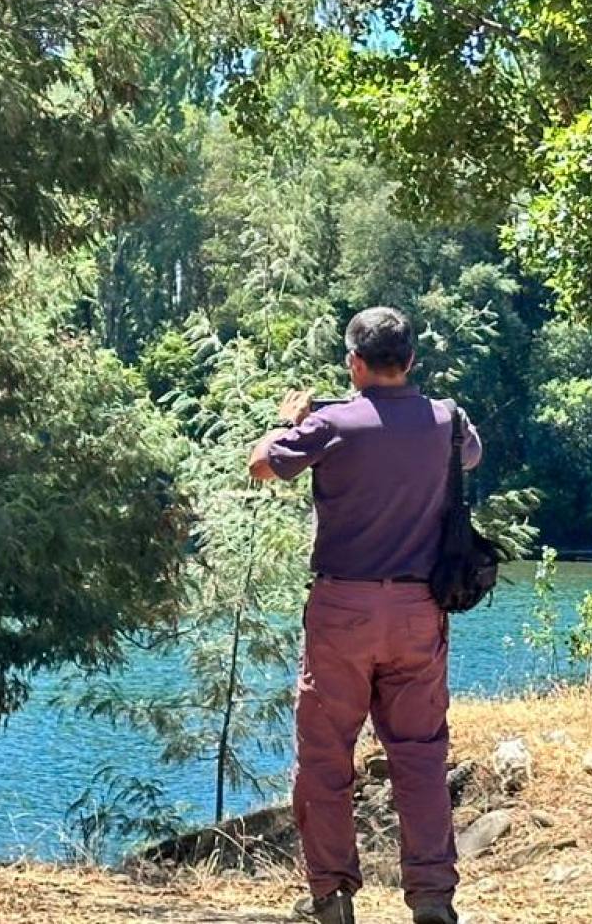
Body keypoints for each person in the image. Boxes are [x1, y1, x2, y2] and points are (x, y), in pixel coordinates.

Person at [250, 307, 482, 924]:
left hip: (342, 610)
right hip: (418, 610)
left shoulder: (331, 424)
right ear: (410, 361)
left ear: (354, 364)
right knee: (421, 753)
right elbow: (473, 455)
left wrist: (288, 423)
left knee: (326, 753)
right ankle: (432, 898)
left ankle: (331, 898)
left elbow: (262, 465)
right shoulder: (446, 419)